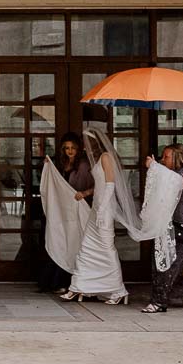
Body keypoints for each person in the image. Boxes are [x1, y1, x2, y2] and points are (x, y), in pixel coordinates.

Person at [58, 128, 130, 304]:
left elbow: (110, 185)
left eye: (89, 143)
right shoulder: (95, 159)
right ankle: (78, 287)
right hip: (95, 210)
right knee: (86, 248)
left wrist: (103, 209)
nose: (86, 147)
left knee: (107, 249)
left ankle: (119, 290)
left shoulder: (105, 156)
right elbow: (98, 186)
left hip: (104, 211)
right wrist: (88, 198)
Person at [141, 144, 183, 313]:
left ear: (177, 158)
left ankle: (158, 301)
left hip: (181, 223)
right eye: (162, 157)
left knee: (167, 263)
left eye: (166, 157)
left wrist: (155, 167)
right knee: (178, 260)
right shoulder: (171, 174)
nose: (163, 160)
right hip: (167, 222)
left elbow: (173, 184)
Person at [37, 132, 94, 292]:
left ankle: (62, 281)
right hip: (62, 211)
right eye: (66, 148)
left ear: (78, 149)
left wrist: (83, 194)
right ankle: (50, 281)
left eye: (73, 148)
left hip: (77, 210)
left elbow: (96, 186)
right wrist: (48, 167)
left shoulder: (84, 166)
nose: (70, 151)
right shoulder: (61, 164)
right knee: (58, 240)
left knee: (70, 244)